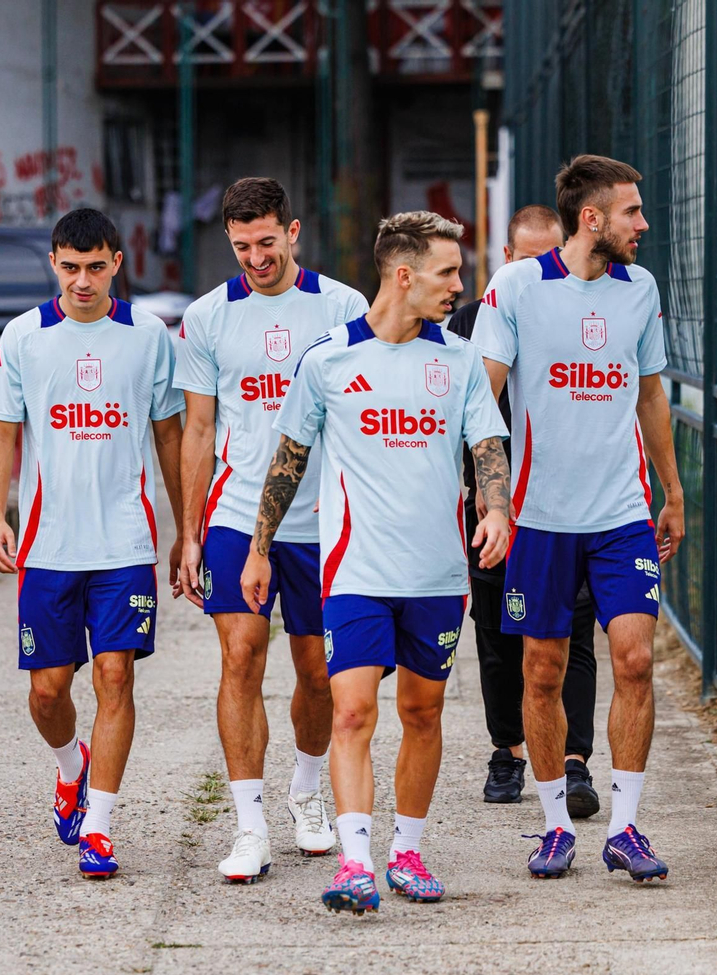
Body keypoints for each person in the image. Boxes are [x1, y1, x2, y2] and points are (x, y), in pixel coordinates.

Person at [242, 211, 512, 914]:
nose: (460, 284)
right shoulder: (328, 358)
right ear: (404, 274)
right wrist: (259, 547)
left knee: (422, 712)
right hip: (355, 573)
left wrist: (495, 508)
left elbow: (486, 446)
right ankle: (356, 862)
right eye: (448, 272)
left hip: (437, 577)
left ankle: (409, 851)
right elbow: (289, 459)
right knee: (354, 711)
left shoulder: (457, 361)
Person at [474, 156, 686, 883]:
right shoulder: (517, 288)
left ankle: (625, 827)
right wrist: (491, 496)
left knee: (633, 658)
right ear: (591, 218)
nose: (643, 224)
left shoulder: (641, 290)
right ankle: (555, 825)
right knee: (542, 669)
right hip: (540, 519)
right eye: (631, 211)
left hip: (622, 514)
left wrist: (674, 488)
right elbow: (482, 401)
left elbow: (651, 395)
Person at [0, 208, 185, 880]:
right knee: (46, 691)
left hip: (124, 542)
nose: (83, 280)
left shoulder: (148, 336)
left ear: (116, 265)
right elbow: (3, 432)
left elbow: (169, 434)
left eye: (96, 266)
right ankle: (72, 765)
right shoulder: (24, 336)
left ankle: (99, 826)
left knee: (116, 675)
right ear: (53, 264)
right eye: (70, 267)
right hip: (48, 546)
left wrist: (188, 529)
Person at [174, 178, 368, 882]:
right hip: (234, 515)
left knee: (318, 672)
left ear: (292, 233)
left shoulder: (343, 306)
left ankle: (307, 792)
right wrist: (189, 532)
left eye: (265, 242)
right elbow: (198, 428)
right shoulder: (206, 318)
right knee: (242, 656)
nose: (254, 258)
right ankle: (249, 825)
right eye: (240, 246)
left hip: (321, 519)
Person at [449, 205, 602, 815]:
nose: (541, 266)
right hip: (493, 505)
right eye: (527, 256)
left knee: (574, 635)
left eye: (551, 254)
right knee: (497, 634)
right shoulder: (464, 325)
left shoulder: (580, 315)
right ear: (507, 259)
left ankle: (575, 760)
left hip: (570, 506)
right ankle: (507, 750)